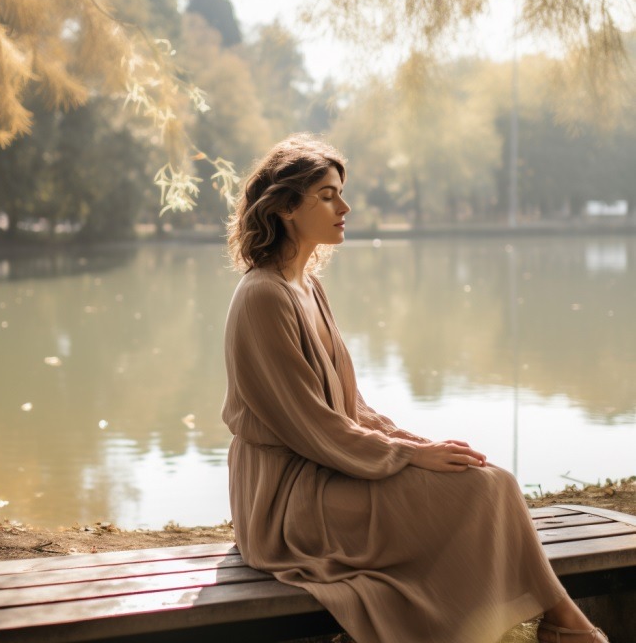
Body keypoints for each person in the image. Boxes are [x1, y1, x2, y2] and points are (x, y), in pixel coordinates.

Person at [221, 133, 608, 643]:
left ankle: (553, 621)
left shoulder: (307, 286)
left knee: (489, 479)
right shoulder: (262, 298)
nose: (345, 206)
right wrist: (406, 455)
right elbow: (313, 426)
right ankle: (561, 623)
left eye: (340, 192)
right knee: (483, 489)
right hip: (287, 501)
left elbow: (352, 406)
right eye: (327, 195)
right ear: (287, 206)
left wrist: (420, 445)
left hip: (331, 469)